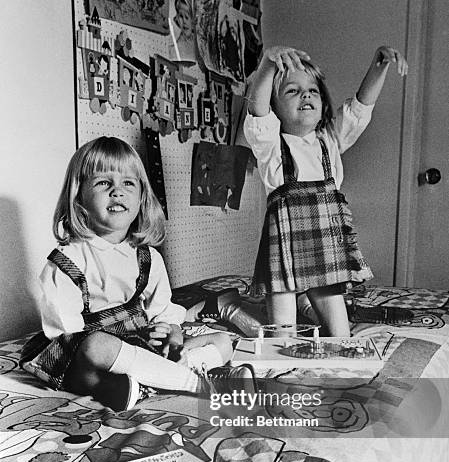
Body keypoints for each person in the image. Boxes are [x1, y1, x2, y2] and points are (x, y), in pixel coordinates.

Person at [20, 137, 255, 411]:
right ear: (79, 197)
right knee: (96, 347)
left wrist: (172, 336)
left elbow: (164, 312)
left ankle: (150, 381)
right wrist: (124, 346)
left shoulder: (148, 258)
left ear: (142, 197)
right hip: (90, 356)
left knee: (222, 341)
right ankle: (195, 384)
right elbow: (67, 335)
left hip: (141, 345)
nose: (117, 192)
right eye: (103, 183)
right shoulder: (67, 261)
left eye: (128, 183)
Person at [244, 45, 408, 336]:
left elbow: (360, 108)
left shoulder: (330, 139)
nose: (305, 95)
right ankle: (236, 306)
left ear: (322, 105)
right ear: (275, 107)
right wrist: (268, 64)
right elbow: (257, 109)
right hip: (283, 246)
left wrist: (378, 65)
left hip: (324, 248)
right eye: (292, 91)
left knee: (340, 335)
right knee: (282, 335)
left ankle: (309, 303)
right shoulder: (270, 145)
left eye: (312, 90)